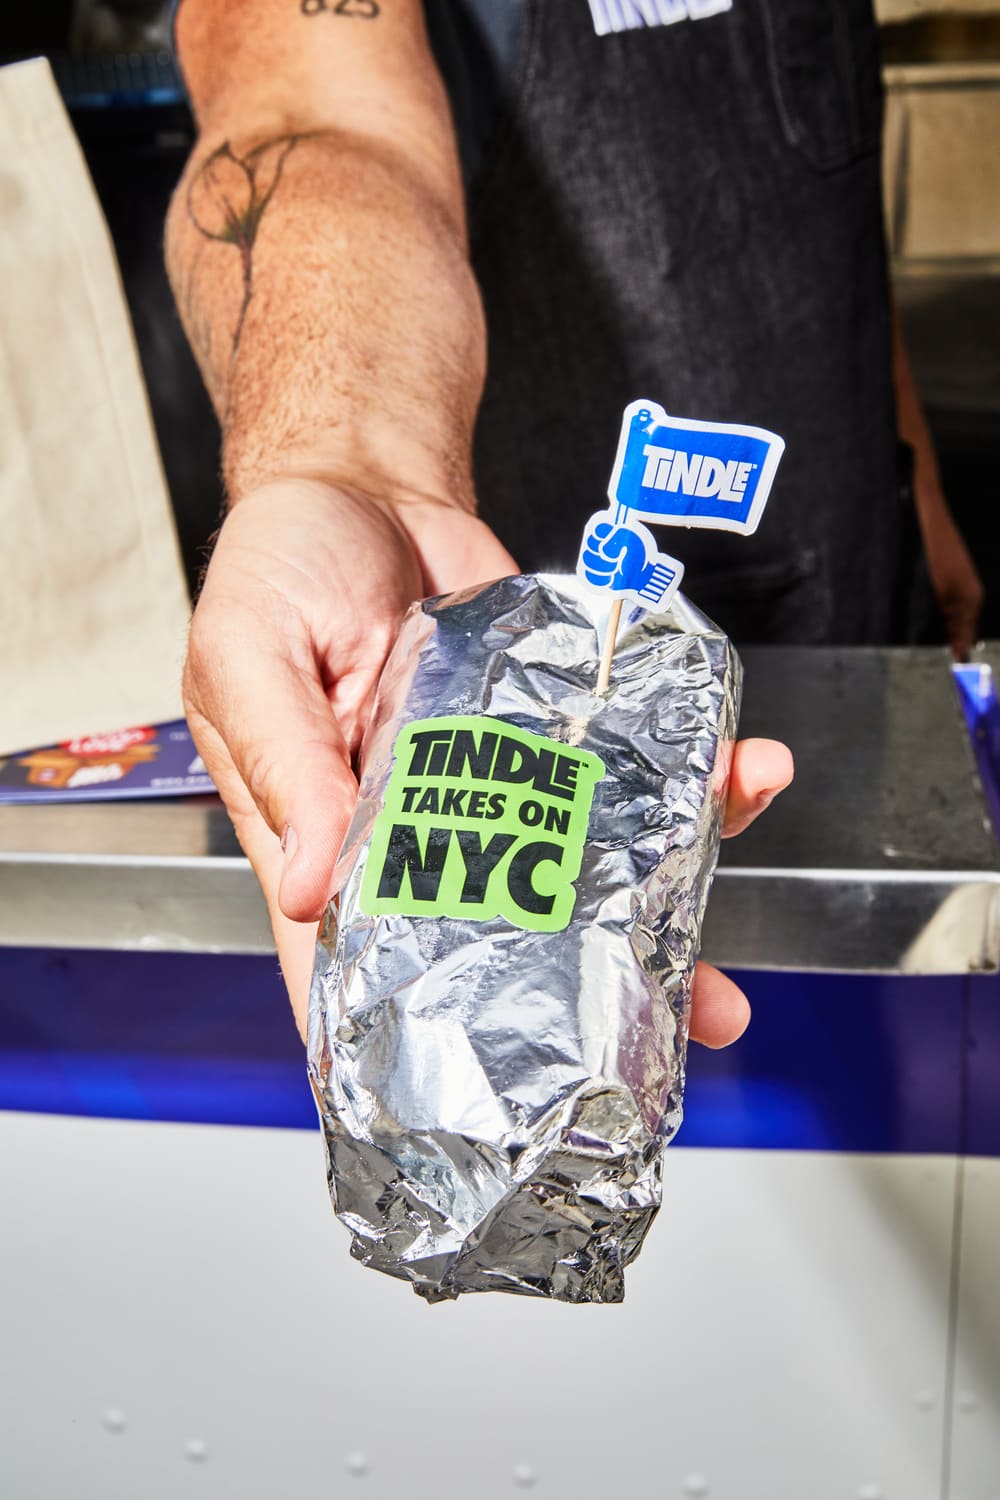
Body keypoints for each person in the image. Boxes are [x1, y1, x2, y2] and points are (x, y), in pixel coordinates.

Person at [163, 0, 967, 1046]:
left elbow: (822, 187)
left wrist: (912, 472)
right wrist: (347, 457)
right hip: (530, 762)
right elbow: (308, 116)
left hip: (860, 619)